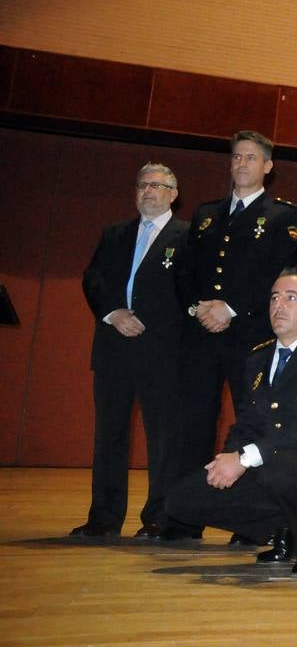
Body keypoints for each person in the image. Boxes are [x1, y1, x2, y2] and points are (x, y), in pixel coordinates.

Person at [165, 269, 297, 576]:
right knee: (182, 500)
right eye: (274, 297)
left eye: (291, 297)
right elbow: (247, 421)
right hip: (270, 464)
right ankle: (283, 528)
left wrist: (247, 458)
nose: (279, 306)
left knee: (281, 466)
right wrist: (230, 458)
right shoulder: (258, 358)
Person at [177, 131, 297, 537]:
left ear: (268, 167)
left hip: (250, 337)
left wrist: (230, 308)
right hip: (201, 335)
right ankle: (183, 517)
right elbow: (186, 270)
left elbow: (278, 274)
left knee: (252, 425)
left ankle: (248, 521)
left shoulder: (284, 216)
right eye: (236, 158)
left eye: (251, 158)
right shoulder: (206, 214)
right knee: (192, 424)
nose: (241, 164)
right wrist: (199, 307)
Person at [72, 164, 189, 539]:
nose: (148, 191)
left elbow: (190, 294)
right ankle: (103, 519)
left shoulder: (188, 236)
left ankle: (158, 517)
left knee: (163, 439)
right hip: (113, 349)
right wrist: (112, 313)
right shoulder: (115, 233)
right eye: (142, 184)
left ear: (173, 193)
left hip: (163, 354)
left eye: (157, 185)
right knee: (109, 435)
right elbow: (93, 279)